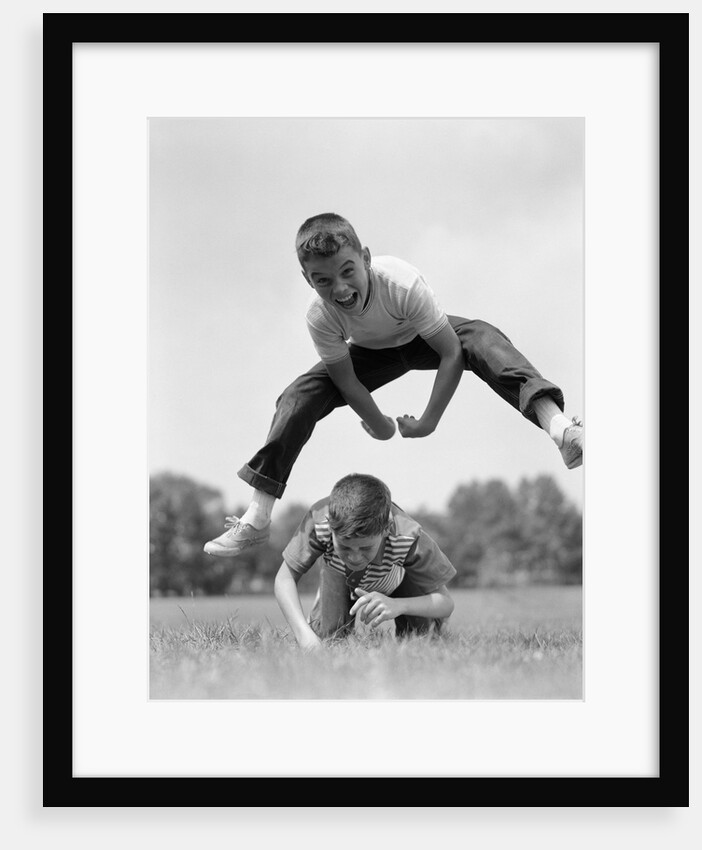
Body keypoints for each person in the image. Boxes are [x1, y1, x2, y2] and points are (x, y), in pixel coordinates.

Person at [204, 212, 583, 557]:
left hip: (422, 339)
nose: (340, 289)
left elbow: (451, 352)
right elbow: (347, 382)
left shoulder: (401, 282)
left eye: (348, 271)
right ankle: (258, 516)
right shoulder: (319, 315)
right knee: (298, 395)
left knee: (482, 336)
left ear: (366, 258)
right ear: (308, 280)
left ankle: (561, 430)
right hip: (370, 356)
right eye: (323, 281)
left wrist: (428, 421)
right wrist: (382, 425)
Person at [273, 473, 456, 649]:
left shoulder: (409, 536)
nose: (355, 557)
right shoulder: (318, 521)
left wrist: (399, 605)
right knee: (329, 638)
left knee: (421, 638)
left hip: (399, 579)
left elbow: (446, 603)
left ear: (387, 528)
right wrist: (303, 635)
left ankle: (433, 625)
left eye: (366, 548)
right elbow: (284, 579)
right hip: (339, 573)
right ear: (330, 527)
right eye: (345, 547)